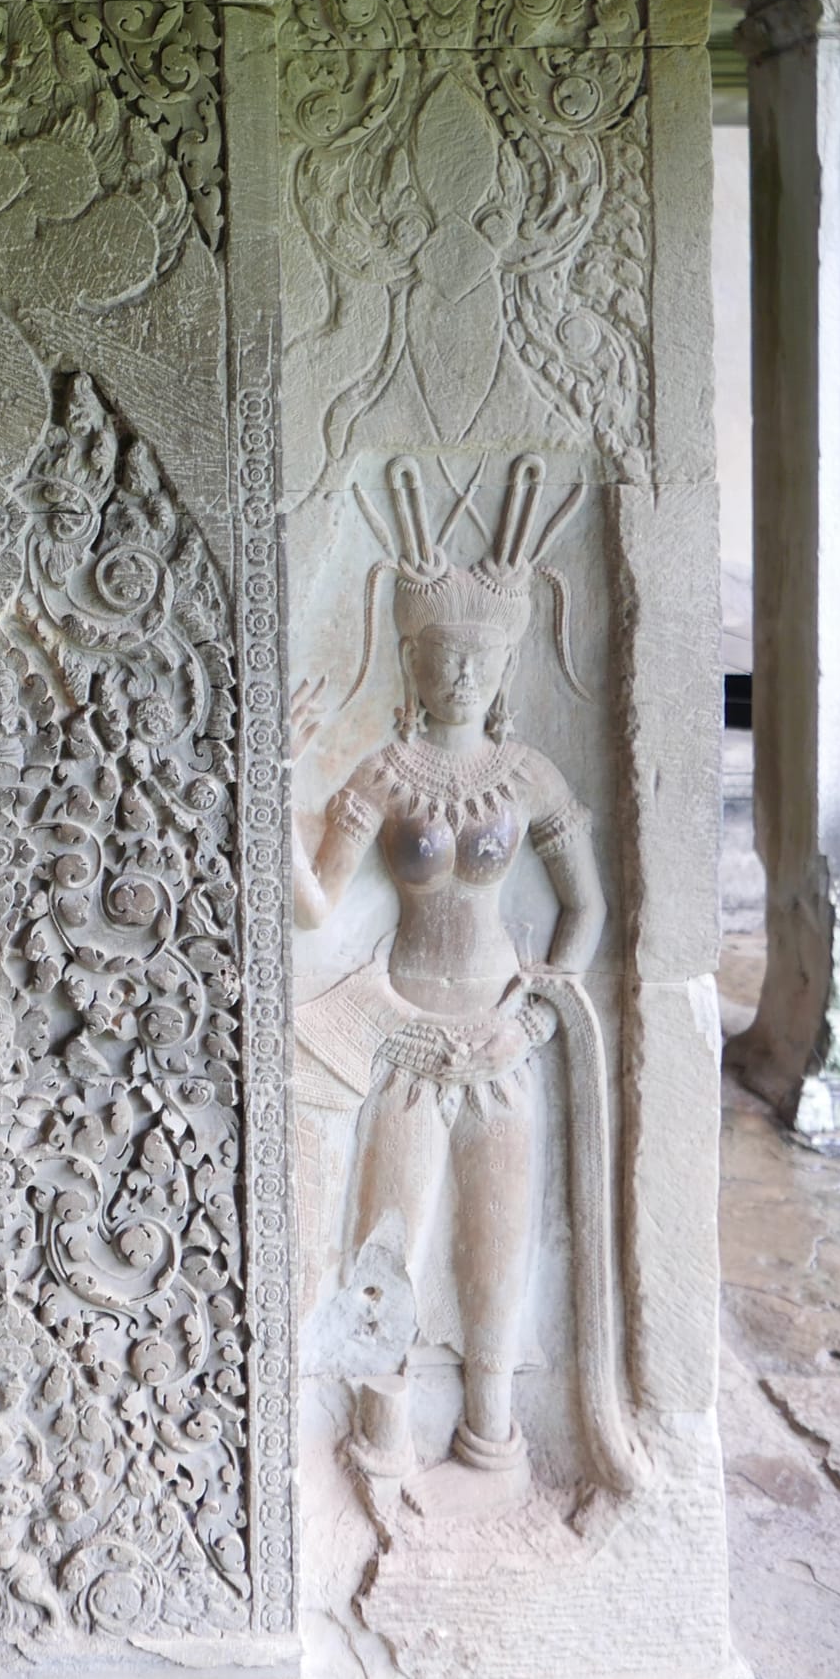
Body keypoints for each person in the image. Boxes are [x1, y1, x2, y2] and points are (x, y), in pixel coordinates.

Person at [292, 460, 606, 1515]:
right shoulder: (383, 774)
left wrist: (538, 1010)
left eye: (479, 657)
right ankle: (380, 1446)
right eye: (440, 654)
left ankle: (492, 1440)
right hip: (403, 1038)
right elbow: (313, 906)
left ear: (504, 663)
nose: (460, 674)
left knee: (496, 1261)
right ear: (410, 660)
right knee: (386, 1251)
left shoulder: (527, 774)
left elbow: (584, 908)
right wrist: (271, 789)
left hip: (501, 1038)